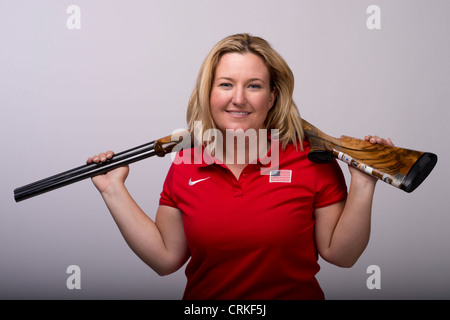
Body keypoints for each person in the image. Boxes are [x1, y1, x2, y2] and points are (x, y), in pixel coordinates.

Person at [87, 33, 394, 299]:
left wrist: (364, 182)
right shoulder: (186, 161)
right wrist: (113, 189)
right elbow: (166, 258)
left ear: (272, 97)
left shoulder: (312, 159)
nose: (238, 99)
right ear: (209, 94)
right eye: (225, 84)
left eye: (254, 86)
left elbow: (342, 255)